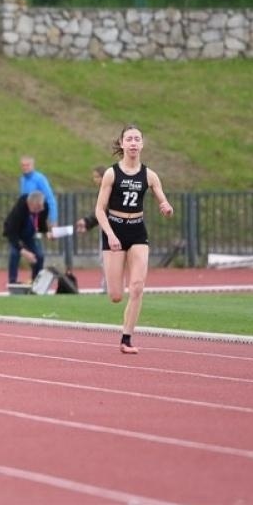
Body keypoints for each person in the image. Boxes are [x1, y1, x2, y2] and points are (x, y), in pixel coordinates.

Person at [94, 124, 174, 355]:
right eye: (128, 139)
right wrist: (110, 234)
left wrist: (166, 208)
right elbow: (99, 210)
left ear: (142, 144)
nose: (133, 143)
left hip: (137, 230)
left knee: (137, 287)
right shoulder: (111, 173)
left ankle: (126, 338)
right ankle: (123, 326)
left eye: (137, 139)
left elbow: (163, 202)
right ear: (121, 143)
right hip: (114, 229)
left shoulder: (149, 175)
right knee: (116, 295)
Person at [74, 165, 108, 294]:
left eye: (96, 177)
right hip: (106, 228)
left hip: (111, 229)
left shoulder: (109, 190)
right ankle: (108, 288)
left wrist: (87, 221)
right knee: (105, 259)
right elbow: (100, 213)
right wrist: (87, 224)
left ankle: (109, 288)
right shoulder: (104, 190)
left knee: (107, 259)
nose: (94, 180)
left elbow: (103, 211)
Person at [18, 156, 59, 226]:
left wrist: (53, 219)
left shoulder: (39, 179)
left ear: (33, 166)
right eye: (23, 165)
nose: (25, 167)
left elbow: (50, 198)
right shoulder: (22, 179)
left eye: (27, 165)